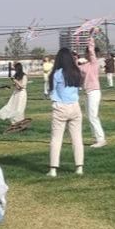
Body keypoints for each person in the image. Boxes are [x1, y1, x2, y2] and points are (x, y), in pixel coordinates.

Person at [47, 47, 84, 177]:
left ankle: (53, 169)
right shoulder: (76, 72)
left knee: (56, 139)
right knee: (77, 138)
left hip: (60, 107)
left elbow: (52, 91)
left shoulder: (56, 74)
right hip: (75, 107)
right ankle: (79, 167)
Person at [81, 35, 107, 148]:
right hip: (87, 92)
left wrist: (90, 37)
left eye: (87, 52)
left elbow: (91, 51)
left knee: (93, 116)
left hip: (94, 92)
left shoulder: (94, 63)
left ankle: (101, 139)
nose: (86, 54)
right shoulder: (84, 65)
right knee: (89, 116)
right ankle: (96, 138)